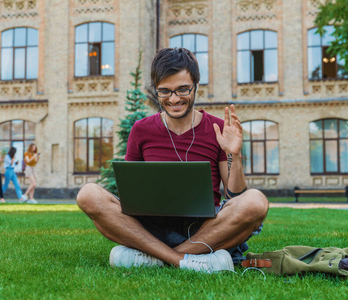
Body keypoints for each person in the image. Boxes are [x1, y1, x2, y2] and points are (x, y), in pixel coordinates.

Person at [76, 48, 269, 273]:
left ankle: (156, 257)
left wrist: (233, 155)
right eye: (165, 92)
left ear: (196, 85)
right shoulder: (141, 129)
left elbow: (234, 197)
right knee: (88, 194)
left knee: (255, 201)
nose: (174, 99)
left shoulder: (217, 128)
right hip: (151, 228)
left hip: (203, 229)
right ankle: (187, 261)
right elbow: (130, 194)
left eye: (182, 89)